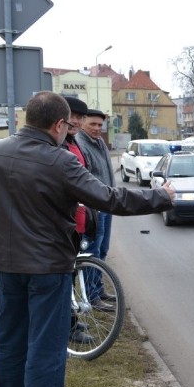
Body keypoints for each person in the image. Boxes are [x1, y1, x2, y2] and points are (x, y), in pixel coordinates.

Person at [0, 91, 175, 387]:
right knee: (46, 345)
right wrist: (162, 197)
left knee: (10, 337)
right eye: (68, 124)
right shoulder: (60, 160)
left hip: (7, 265)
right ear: (59, 124)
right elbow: (109, 198)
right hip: (48, 267)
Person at [61, 96, 95, 344]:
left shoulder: (74, 144)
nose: (76, 120)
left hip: (78, 220)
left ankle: (70, 320)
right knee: (63, 277)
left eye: (80, 117)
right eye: (72, 115)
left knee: (71, 275)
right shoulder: (57, 146)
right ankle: (68, 327)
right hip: (63, 222)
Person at [75, 108, 117, 306]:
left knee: (103, 249)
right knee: (92, 251)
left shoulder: (100, 142)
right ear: (83, 123)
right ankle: (91, 296)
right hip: (93, 208)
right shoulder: (81, 144)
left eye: (100, 125)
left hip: (106, 206)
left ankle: (98, 290)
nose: (97, 128)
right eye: (93, 124)